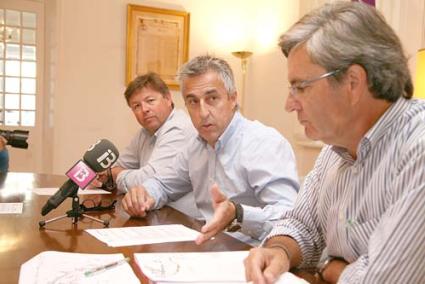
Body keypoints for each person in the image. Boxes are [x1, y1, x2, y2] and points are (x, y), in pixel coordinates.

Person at [244, 2, 425, 284]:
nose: (289, 104)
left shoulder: (419, 146)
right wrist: (279, 250)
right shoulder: (335, 149)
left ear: (353, 82)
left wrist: (330, 267)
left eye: (300, 87)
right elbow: (300, 224)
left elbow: (381, 281)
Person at [122, 55, 299, 244]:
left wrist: (238, 214)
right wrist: (143, 195)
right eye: (193, 102)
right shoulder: (196, 146)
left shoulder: (264, 143)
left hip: (253, 256)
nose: (203, 113)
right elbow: (163, 184)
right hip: (207, 248)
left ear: (232, 98)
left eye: (212, 98)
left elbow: (289, 220)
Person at [92, 72, 199, 216]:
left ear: (168, 98)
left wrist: (114, 174)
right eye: (136, 106)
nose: (144, 109)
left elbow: (147, 181)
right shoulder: (145, 132)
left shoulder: (178, 128)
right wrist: (110, 174)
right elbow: (119, 164)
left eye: (150, 101)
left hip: (185, 221)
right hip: (158, 215)